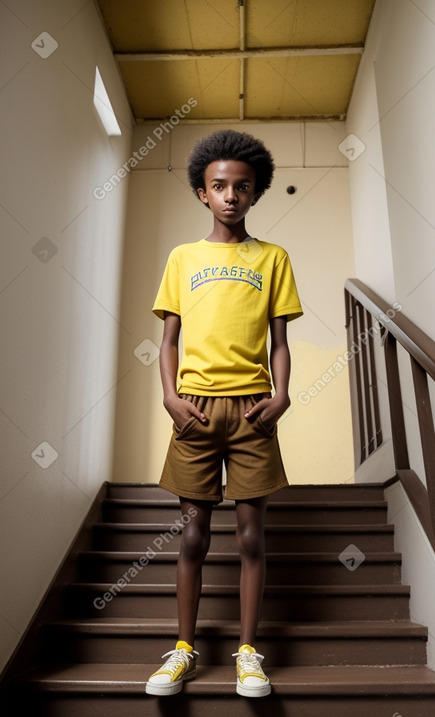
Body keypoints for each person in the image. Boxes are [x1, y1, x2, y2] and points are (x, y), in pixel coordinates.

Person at [145, 129, 303, 699]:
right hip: (195, 412)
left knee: (251, 538)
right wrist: (170, 397)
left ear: (256, 192)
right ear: (201, 193)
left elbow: (279, 342)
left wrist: (282, 395)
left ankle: (247, 653)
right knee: (191, 538)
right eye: (219, 186)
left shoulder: (273, 258)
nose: (230, 195)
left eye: (242, 186)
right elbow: (168, 341)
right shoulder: (183, 258)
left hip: (254, 413)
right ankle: (183, 651)